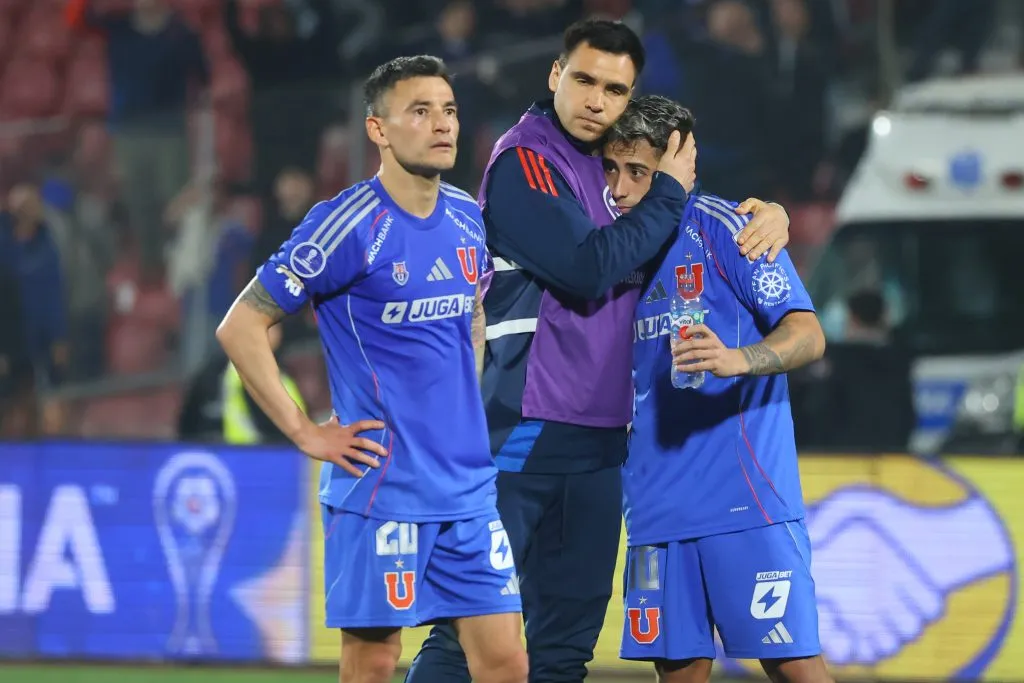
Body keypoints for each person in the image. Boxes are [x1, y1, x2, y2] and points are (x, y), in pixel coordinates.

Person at [407, 19, 793, 683]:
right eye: (584, 79)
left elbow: (662, 235)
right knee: (471, 633)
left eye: (615, 89)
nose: (596, 99)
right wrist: (671, 191)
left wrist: (765, 215)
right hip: (521, 434)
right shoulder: (525, 160)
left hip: (598, 446)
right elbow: (588, 269)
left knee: (564, 647)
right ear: (555, 75)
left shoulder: (609, 176)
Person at [216, 55, 527, 683]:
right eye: (420, 111)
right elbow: (241, 325)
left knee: (505, 664)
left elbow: (469, 313)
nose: (442, 124)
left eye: (449, 110)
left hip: (467, 489)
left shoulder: (468, 215)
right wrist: (306, 432)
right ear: (377, 130)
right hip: (383, 490)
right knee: (374, 664)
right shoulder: (348, 223)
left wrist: (462, 401)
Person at [607, 95, 832, 683]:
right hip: (654, 510)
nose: (621, 188)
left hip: (745, 503)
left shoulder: (732, 230)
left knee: (797, 670)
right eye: (611, 169)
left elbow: (808, 334)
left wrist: (740, 358)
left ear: (678, 162)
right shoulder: (607, 250)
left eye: (638, 171)